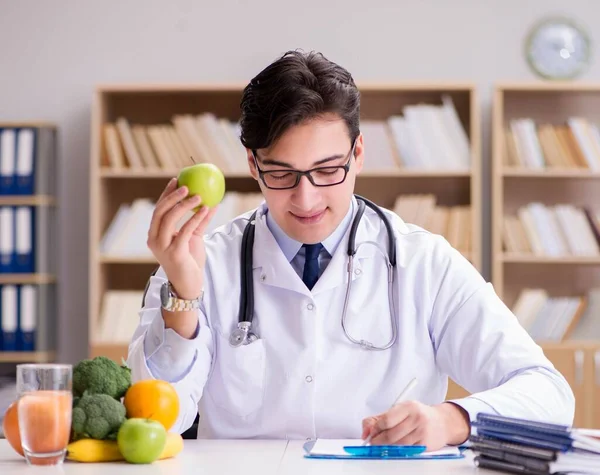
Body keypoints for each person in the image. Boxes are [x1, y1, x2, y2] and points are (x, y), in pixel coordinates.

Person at [127, 50, 575, 450]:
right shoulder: (199, 263)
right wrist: (183, 297)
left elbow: (548, 394)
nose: (306, 199)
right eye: (282, 174)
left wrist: (453, 419)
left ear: (358, 153)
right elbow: (156, 422)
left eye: (327, 170)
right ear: (252, 164)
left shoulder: (425, 263)